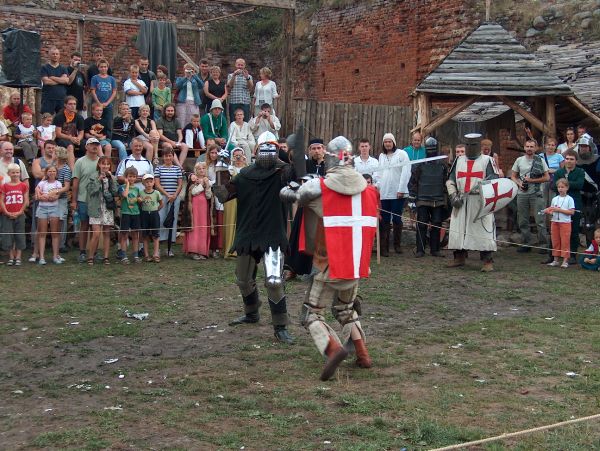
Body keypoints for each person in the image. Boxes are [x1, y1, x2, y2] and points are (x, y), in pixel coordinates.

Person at [279, 136, 378, 380]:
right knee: (345, 309)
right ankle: (363, 354)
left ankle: (333, 350)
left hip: (329, 264)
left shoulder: (319, 189)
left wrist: (296, 186)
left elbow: (287, 195)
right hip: (355, 264)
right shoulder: (369, 191)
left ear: (331, 158)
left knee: (312, 313)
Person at [213, 131, 294, 343]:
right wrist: (221, 167)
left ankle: (280, 326)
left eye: (272, 148)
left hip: (272, 232)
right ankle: (251, 313)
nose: (268, 152)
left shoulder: (283, 173)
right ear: (256, 152)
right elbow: (223, 194)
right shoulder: (245, 174)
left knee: (274, 281)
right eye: (264, 148)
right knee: (243, 279)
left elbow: (297, 183)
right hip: (248, 231)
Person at [446, 134, 500, 272]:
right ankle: (459, 257)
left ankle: (487, 260)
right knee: (459, 229)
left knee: (482, 230)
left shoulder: (488, 160)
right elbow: (450, 180)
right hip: (461, 199)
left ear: (479, 145)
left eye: (473, 145)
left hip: (480, 201)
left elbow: (493, 180)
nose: (470, 148)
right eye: (468, 145)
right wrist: (453, 195)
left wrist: (484, 191)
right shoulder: (459, 160)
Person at [409, 137, 448, 257]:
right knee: (421, 224)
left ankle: (435, 249)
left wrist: (445, 198)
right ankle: (420, 249)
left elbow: (445, 182)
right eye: (429, 149)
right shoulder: (420, 166)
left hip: (438, 199)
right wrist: (412, 199)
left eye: (433, 149)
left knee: (436, 223)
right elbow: (413, 182)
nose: (431, 151)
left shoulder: (442, 166)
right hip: (423, 199)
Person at [374, 133, 410, 256]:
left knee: (396, 218)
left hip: (397, 193)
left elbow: (406, 172)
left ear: (393, 142)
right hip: (384, 193)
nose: (387, 144)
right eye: (385, 142)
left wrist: (401, 189)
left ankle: (397, 245)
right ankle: (384, 247)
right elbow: (379, 173)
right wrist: (378, 187)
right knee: (384, 220)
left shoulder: (402, 154)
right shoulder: (381, 156)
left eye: (389, 141)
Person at [510, 139, 550, 253]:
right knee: (522, 220)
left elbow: (547, 178)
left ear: (536, 148)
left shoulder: (540, 160)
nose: (529, 148)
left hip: (537, 193)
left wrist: (532, 180)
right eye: (527, 146)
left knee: (540, 220)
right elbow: (513, 175)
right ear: (524, 147)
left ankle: (543, 245)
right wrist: (519, 183)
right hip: (522, 193)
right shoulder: (519, 160)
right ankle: (526, 243)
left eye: (531, 146)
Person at [71, 137, 101, 264]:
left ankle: (94, 251)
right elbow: (75, 182)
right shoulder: (80, 162)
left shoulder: (101, 162)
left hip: (97, 200)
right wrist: (74, 200)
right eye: (92, 145)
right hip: (83, 198)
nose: (95, 147)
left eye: (97, 145)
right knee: (84, 225)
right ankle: (82, 252)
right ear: (86, 147)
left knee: (96, 227)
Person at [552, 150, 585, 265]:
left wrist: (563, 184)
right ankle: (556, 255)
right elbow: (554, 186)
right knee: (556, 231)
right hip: (559, 205)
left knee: (574, 231)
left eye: (571, 159)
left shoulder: (580, 172)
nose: (569, 161)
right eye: (567, 158)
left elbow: (580, 185)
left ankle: (572, 255)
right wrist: (569, 184)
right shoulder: (559, 172)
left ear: (576, 161)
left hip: (574, 204)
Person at [86, 156, 118, 265]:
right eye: (103, 164)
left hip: (107, 208)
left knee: (107, 232)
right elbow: (91, 191)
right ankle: (90, 256)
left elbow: (115, 192)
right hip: (96, 207)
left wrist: (112, 178)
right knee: (96, 233)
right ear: (99, 164)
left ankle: (106, 257)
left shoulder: (111, 177)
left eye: (107, 164)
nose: (105, 166)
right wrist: (98, 180)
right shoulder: (93, 176)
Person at [154, 147, 183, 256]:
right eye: (166, 156)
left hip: (175, 198)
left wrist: (174, 195)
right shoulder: (158, 169)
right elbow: (157, 184)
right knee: (161, 221)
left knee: (172, 221)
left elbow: (180, 184)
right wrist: (167, 195)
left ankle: (169, 248)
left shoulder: (177, 169)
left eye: (170, 155)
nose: (168, 158)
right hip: (162, 197)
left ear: (172, 156)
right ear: (163, 157)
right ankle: (160, 247)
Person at [0, 163, 29, 266]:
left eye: (17, 172)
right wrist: (6, 212)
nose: (15, 174)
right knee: (8, 236)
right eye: (13, 172)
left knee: (19, 235)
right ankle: (11, 257)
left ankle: (18, 257)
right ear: (9, 174)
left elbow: (25, 200)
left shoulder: (23, 185)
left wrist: (20, 211)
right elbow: (2, 200)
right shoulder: (5, 186)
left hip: (19, 215)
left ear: (20, 173)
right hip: (7, 215)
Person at [543, 178, 575, 268]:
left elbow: (572, 212)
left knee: (565, 242)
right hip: (554, 222)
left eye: (562, 187)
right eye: (559, 187)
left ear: (567, 188)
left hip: (565, 223)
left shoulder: (570, 199)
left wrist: (559, 210)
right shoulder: (554, 199)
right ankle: (555, 260)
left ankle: (565, 261)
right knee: (555, 241)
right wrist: (549, 211)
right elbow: (553, 210)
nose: (560, 189)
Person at [183, 161, 212, 260]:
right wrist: (201, 185)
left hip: (204, 206)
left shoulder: (207, 180)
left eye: (203, 168)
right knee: (195, 226)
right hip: (194, 206)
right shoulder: (193, 180)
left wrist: (207, 185)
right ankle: (194, 251)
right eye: (199, 168)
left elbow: (208, 195)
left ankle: (202, 251)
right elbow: (194, 192)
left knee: (203, 227)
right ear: (196, 170)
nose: (201, 170)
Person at [35, 165, 62, 265]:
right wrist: (43, 196)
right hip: (42, 208)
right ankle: (41, 257)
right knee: (42, 233)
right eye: (49, 171)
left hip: (54, 208)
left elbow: (56, 196)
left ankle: (55, 256)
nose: (51, 173)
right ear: (46, 173)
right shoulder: (42, 183)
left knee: (55, 233)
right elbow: (38, 196)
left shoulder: (58, 183)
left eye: (53, 171)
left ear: (56, 173)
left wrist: (46, 196)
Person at [223, 147, 247, 258]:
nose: (238, 157)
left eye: (240, 155)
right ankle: (230, 249)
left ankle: (243, 248)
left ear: (243, 156)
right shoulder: (229, 169)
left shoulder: (247, 169)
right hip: (232, 199)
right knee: (231, 221)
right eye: (236, 155)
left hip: (245, 198)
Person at [118, 167, 142, 264]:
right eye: (130, 177)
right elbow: (124, 195)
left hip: (135, 213)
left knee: (135, 235)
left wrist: (140, 200)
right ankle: (124, 255)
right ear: (126, 177)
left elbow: (139, 200)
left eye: (133, 177)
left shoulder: (137, 189)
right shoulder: (122, 187)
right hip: (126, 213)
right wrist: (127, 184)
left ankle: (135, 255)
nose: (132, 179)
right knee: (124, 235)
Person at [53, 95, 85, 168]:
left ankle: (86, 167)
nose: (72, 106)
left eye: (74, 104)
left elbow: (81, 132)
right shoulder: (59, 116)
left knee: (88, 144)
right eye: (70, 104)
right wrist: (70, 138)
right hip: (62, 139)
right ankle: (73, 170)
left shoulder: (79, 117)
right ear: (65, 105)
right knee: (70, 146)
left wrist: (78, 139)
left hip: (74, 138)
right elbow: (58, 133)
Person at [139, 173, 163, 263]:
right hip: (144, 214)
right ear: (143, 183)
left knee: (155, 235)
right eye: (147, 182)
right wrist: (140, 202)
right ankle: (146, 255)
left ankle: (156, 254)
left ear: (153, 183)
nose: (149, 184)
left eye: (150, 182)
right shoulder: (141, 193)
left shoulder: (156, 193)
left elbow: (161, 204)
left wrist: (156, 210)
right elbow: (139, 204)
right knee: (145, 235)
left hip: (154, 214)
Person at [206, 145, 224, 258]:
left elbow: (220, 179)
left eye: (215, 153)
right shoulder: (206, 165)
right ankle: (208, 247)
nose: (213, 155)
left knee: (218, 221)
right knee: (209, 222)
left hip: (218, 194)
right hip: (208, 194)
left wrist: (210, 182)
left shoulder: (221, 165)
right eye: (211, 153)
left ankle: (216, 248)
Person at [40, 46, 69, 114]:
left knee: (62, 121)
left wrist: (52, 77)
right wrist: (60, 80)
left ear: (59, 56)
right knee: (46, 120)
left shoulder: (63, 68)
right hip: (48, 99)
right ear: (49, 55)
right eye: (53, 54)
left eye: (57, 54)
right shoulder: (44, 68)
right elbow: (46, 81)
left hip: (61, 99)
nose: (55, 55)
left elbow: (66, 81)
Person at [54, 146, 72, 254]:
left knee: (62, 221)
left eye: (55, 152)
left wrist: (56, 192)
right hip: (50, 199)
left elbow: (66, 187)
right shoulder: (52, 167)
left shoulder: (66, 169)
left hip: (61, 199)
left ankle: (61, 244)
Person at [175, 63, 204, 127]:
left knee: (193, 119)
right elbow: (178, 86)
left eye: (189, 69)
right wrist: (185, 77)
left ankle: (192, 134)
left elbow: (202, 85)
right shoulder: (180, 78)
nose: (188, 71)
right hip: (182, 101)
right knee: (181, 120)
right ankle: (182, 135)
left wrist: (194, 76)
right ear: (184, 70)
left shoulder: (195, 79)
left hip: (194, 101)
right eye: (186, 69)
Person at [90, 58, 117, 126]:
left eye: (105, 67)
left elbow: (114, 92)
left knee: (108, 123)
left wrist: (107, 103)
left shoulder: (111, 79)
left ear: (107, 68)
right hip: (97, 105)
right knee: (96, 123)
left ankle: (108, 136)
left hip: (108, 105)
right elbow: (93, 91)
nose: (103, 68)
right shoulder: (95, 78)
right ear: (98, 68)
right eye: (101, 67)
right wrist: (98, 103)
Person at [226, 58, 253, 122]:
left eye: (242, 65)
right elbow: (229, 86)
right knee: (233, 121)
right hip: (234, 101)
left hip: (245, 102)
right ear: (235, 65)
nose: (240, 67)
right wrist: (234, 76)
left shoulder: (249, 76)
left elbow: (250, 87)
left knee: (246, 121)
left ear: (244, 66)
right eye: (238, 65)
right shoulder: (230, 75)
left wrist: (247, 78)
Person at [66, 51, 87, 117]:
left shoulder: (81, 74)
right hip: (69, 102)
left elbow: (83, 89)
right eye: (75, 59)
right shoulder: (66, 70)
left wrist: (84, 102)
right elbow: (69, 82)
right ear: (70, 59)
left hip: (80, 102)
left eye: (79, 60)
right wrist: (75, 69)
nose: (77, 61)